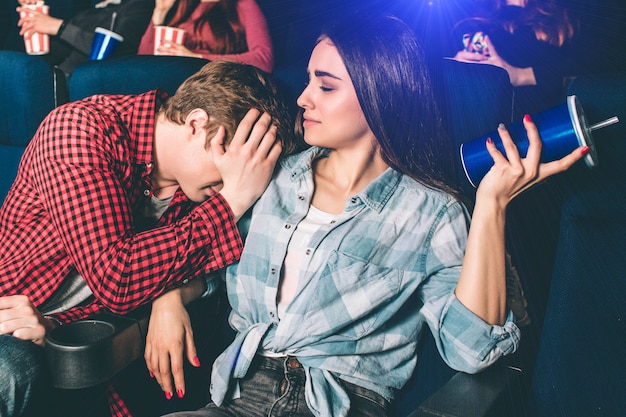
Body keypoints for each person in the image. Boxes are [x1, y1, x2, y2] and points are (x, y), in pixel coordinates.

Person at [144, 14, 589, 417]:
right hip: (238, 398)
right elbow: (207, 263)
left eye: (326, 85)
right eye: (308, 81)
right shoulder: (270, 177)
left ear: (380, 93)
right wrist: (167, 298)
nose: (302, 98)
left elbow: (472, 351)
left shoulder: (432, 213)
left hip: (340, 404)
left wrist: (492, 206)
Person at [0, 60, 296, 417]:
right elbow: (118, 277)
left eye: (247, 176)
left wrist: (169, 296)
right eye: (231, 169)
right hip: (7, 307)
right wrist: (231, 201)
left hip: (61, 331)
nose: (232, 185)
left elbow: (222, 269)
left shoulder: (194, 188)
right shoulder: (78, 128)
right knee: (12, 371)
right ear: (196, 123)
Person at [449, 0, 582, 118]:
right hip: (492, 121)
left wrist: (518, 75)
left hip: (553, 119)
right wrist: (458, 70)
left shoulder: (567, 11)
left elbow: (585, 68)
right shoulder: (470, 18)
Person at [16, 0, 154, 77]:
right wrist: (35, 17)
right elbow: (61, 51)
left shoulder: (139, 6)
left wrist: (59, 27)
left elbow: (117, 51)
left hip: (86, 79)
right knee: (12, 68)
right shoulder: (90, 11)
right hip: (57, 74)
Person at [137, 0, 274, 73]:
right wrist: (160, 12)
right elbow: (143, 58)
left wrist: (196, 58)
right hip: (169, 75)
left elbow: (264, 60)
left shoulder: (242, 4)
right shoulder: (183, 6)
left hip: (209, 81)